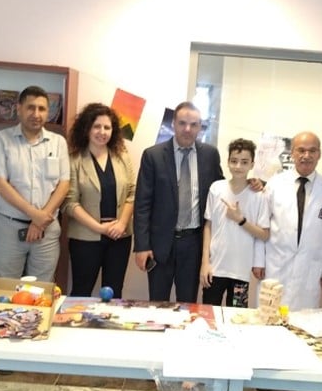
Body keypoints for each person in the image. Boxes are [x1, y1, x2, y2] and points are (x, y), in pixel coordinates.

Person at [133, 101, 223, 303]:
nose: (187, 129)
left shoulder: (209, 155)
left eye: (194, 124)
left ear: (200, 127)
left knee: (188, 303)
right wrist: (141, 246)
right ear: (173, 123)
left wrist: (255, 184)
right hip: (159, 245)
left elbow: (223, 191)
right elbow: (142, 204)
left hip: (193, 244)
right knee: (157, 303)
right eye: (182, 123)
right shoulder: (153, 156)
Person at [253, 131, 322, 311]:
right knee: (269, 317)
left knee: (302, 323)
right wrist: (258, 261)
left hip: (310, 268)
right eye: (301, 150)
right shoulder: (275, 184)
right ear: (292, 153)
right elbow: (261, 224)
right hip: (275, 264)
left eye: (312, 151)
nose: (306, 156)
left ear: (319, 154)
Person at [0, 85, 69, 282]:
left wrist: (41, 221)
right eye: (30, 107)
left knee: (41, 292)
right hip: (9, 228)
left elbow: (64, 184)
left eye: (42, 109)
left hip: (46, 232)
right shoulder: (1, 139)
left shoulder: (58, 142)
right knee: (5, 289)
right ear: (19, 109)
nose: (36, 114)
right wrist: (34, 215)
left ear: (48, 112)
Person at [63, 103, 135, 298]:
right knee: (81, 291)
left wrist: (121, 224)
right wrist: (99, 228)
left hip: (120, 236)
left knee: (114, 293)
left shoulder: (122, 156)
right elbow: (70, 203)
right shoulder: (74, 159)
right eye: (97, 126)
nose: (102, 132)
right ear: (86, 128)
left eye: (107, 127)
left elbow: (132, 193)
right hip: (86, 238)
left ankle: (108, 328)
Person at [200, 138, 269, 307]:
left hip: (241, 273)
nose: (238, 166)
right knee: (209, 315)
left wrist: (240, 220)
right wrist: (205, 263)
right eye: (234, 161)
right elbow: (208, 226)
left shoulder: (259, 195)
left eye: (244, 162)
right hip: (214, 269)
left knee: (237, 319)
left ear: (252, 164)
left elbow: (264, 234)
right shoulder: (216, 188)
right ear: (228, 162)